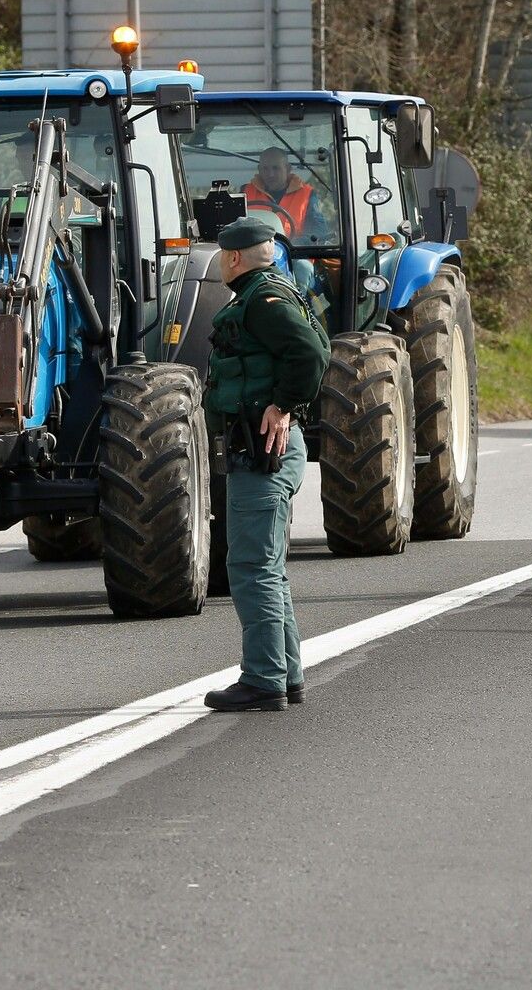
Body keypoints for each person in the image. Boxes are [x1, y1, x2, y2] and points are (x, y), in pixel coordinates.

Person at [202, 215, 332, 712]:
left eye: (220, 254)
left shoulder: (263, 300)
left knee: (251, 566)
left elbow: (310, 354)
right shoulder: (273, 290)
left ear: (234, 257)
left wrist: (281, 405)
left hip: (264, 450)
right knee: (269, 567)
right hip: (266, 448)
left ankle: (263, 679)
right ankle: (286, 673)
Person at [244, 148, 331, 242]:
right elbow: (232, 226)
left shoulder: (307, 195)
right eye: (265, 168)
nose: (271, 174)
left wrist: (294, 244)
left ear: (288, 168)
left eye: (276, 168)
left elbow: (319, 231)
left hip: (295, 254)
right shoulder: (245, 192)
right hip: (255, 253)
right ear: (259, 169)